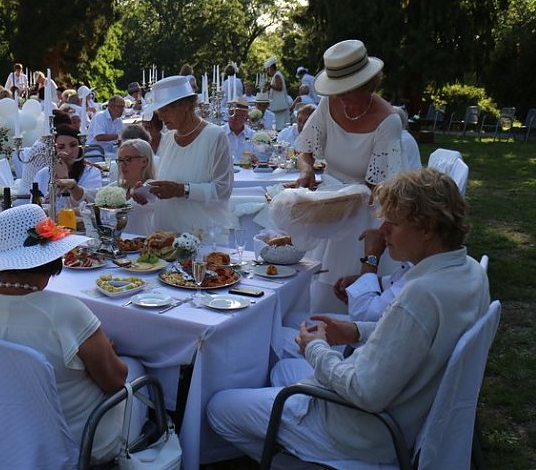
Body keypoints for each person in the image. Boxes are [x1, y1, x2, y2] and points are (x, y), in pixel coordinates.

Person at [207, 168, 489, 467]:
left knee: (218, 408)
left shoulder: (422, 295)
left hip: (361, 432)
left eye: (393, 223)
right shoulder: (468, 271)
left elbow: (365, 392)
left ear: (428, 229)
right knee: (282, 371)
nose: (383, 231)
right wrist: (355, 331)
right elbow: (414, 336)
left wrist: (316, 348)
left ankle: (303, 459)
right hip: (397, 409)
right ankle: (297, 449)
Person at [0, 204, 137, 463]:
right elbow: (114, 381)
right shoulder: (66, 312)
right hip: (71, 441)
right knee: (136, 370)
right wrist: (102, 350)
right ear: (51, 259)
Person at [292, 40, 404, 311]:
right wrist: (307, 171)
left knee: (346, 292)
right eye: (336, 90)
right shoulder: (329, 104)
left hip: (364, 211)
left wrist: (337, 202)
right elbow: (304, 148)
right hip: (330, 206)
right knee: (310, 284)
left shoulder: (388, 121)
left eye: (347, 91)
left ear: (367, 85)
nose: (340, 98)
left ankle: (345, 339)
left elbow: (381, 186)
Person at [144, 75, 233, 233]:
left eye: (165, 109)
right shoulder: (168, 138)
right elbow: (166, 182)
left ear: (184, 105)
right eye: (158, 111)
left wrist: (182, 190)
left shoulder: (215, 136)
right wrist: (147, 191)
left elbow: (223, 190)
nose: (160, 116)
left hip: (201, 236)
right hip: (164, 235)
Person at [34, 125, 102, 203]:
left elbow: (91, 205)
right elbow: (36, 206)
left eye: (73, 145)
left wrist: (66, 179)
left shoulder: (90, 172)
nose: (68, 151)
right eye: (61, 147)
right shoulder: (43, 173)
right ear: (54, 150)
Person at [115, 138, 157, 235]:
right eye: (120, 160)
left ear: (144, 161)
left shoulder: (150, 187)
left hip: (140, 247)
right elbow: (93, 195)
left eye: (128, 159)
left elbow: (121, 212)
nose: (122, 165)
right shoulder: (120, 186)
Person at [223, 96, 255, 162]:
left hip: (247, 170)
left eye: (238, 115)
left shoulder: (252, 135)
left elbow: (258, 158)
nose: (233, 118)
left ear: (245, 118)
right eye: (231, 114)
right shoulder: (220, 133)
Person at [264, 57, 291, 129]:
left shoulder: (277, 75)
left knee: (280, 123)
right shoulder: (275, 76)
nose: (268, 71)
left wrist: (270, 86)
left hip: (279, 105)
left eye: (268, 69)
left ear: (271, 68)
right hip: (278, 105)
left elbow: (279, 87)